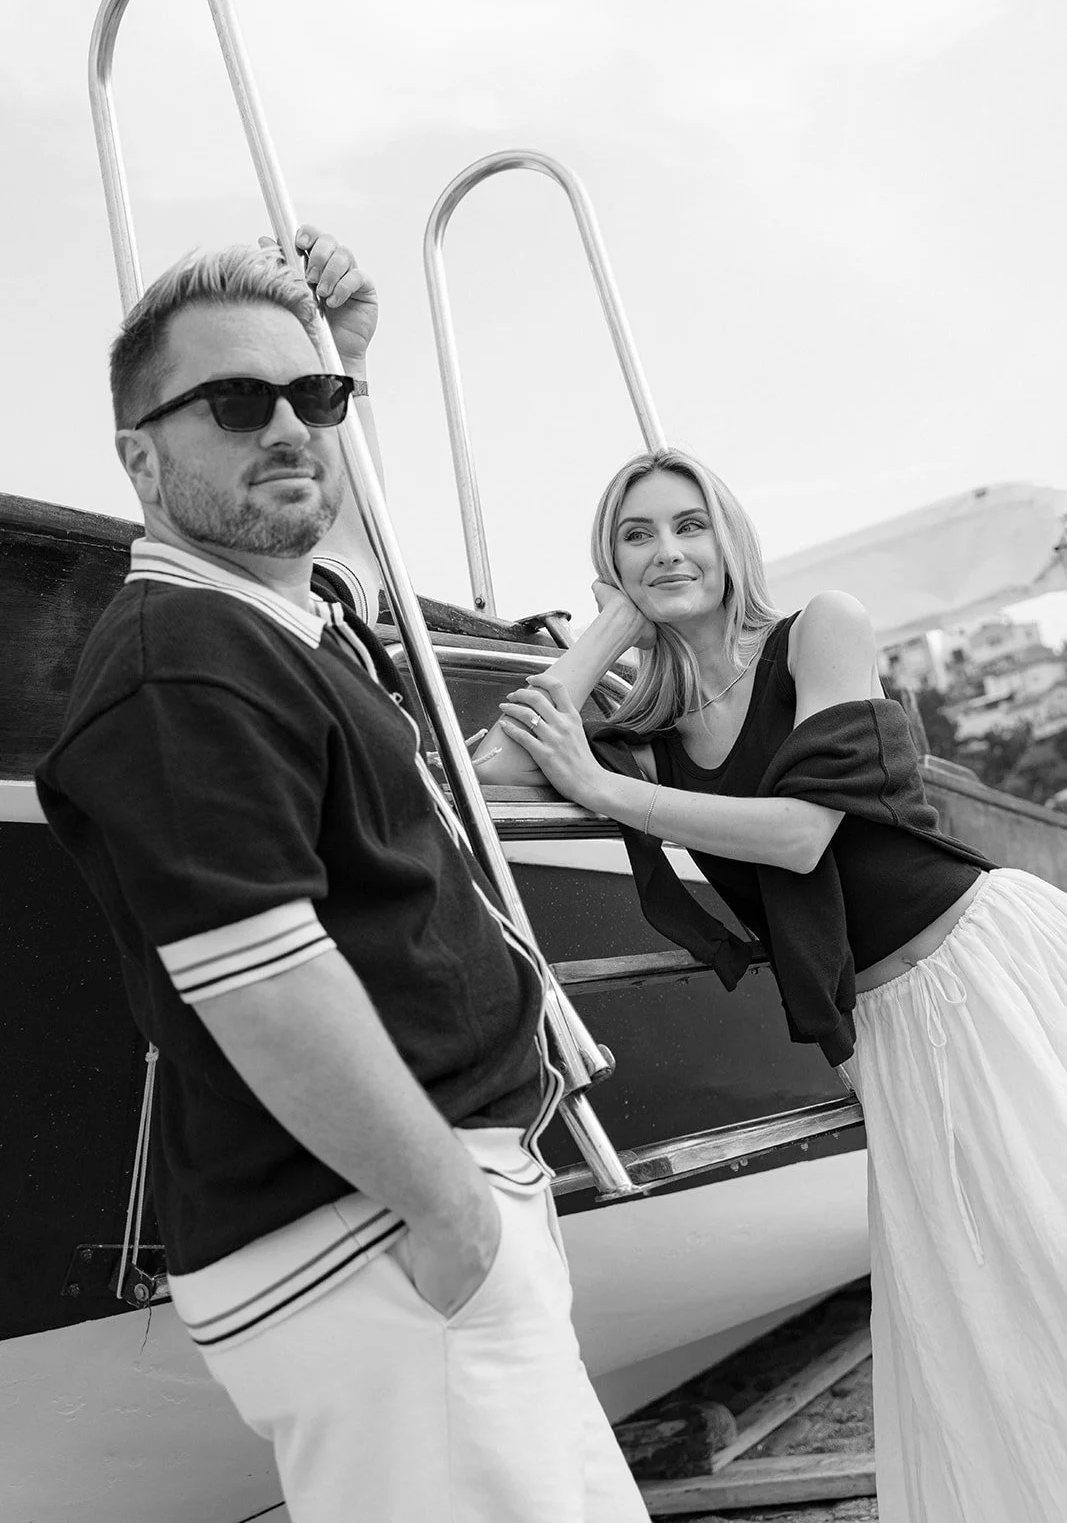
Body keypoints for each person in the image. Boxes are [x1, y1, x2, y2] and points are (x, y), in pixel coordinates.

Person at [34, 230, 651, 1523]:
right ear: (138, 456)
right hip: (377, 1239)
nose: (288, 429)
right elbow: (261, 980)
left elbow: (335, 532)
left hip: (413, 1226)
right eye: (234, 402)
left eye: (312, 402)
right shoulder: (180, 660)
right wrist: (452, 1223)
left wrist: (346, 360)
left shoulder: (278, 624)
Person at [474, 446, 1067, 1523]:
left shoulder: (818, 631)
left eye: (688, 523)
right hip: (887, 1029)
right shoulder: (651, 722)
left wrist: (599, 784)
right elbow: (485, 775)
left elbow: (799, 838)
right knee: (978, 1309)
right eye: (636, 535)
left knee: (1051, 1252)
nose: (670, 550)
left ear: (730, 535)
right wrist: (606, 634)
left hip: (976, 967)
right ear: (608, 564)